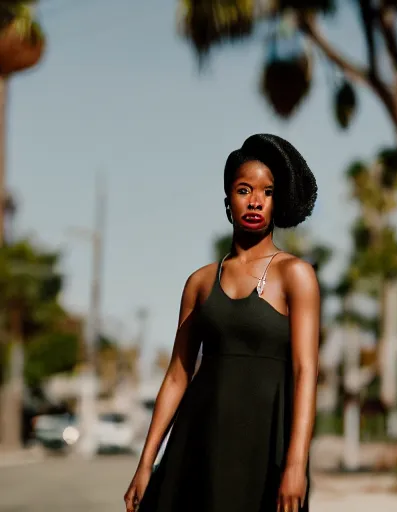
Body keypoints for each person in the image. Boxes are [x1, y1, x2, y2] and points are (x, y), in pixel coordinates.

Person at [124, 133, 320, 512]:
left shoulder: (296, 275)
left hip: (267, 448)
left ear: (277, 202)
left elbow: (306, 371)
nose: (256, 200)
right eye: (244, 190)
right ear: (228, 201)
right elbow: (177, 376)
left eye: (267, 191)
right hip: (200, 442)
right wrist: (146, 463)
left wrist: (296, 464)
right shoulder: (199, 283)